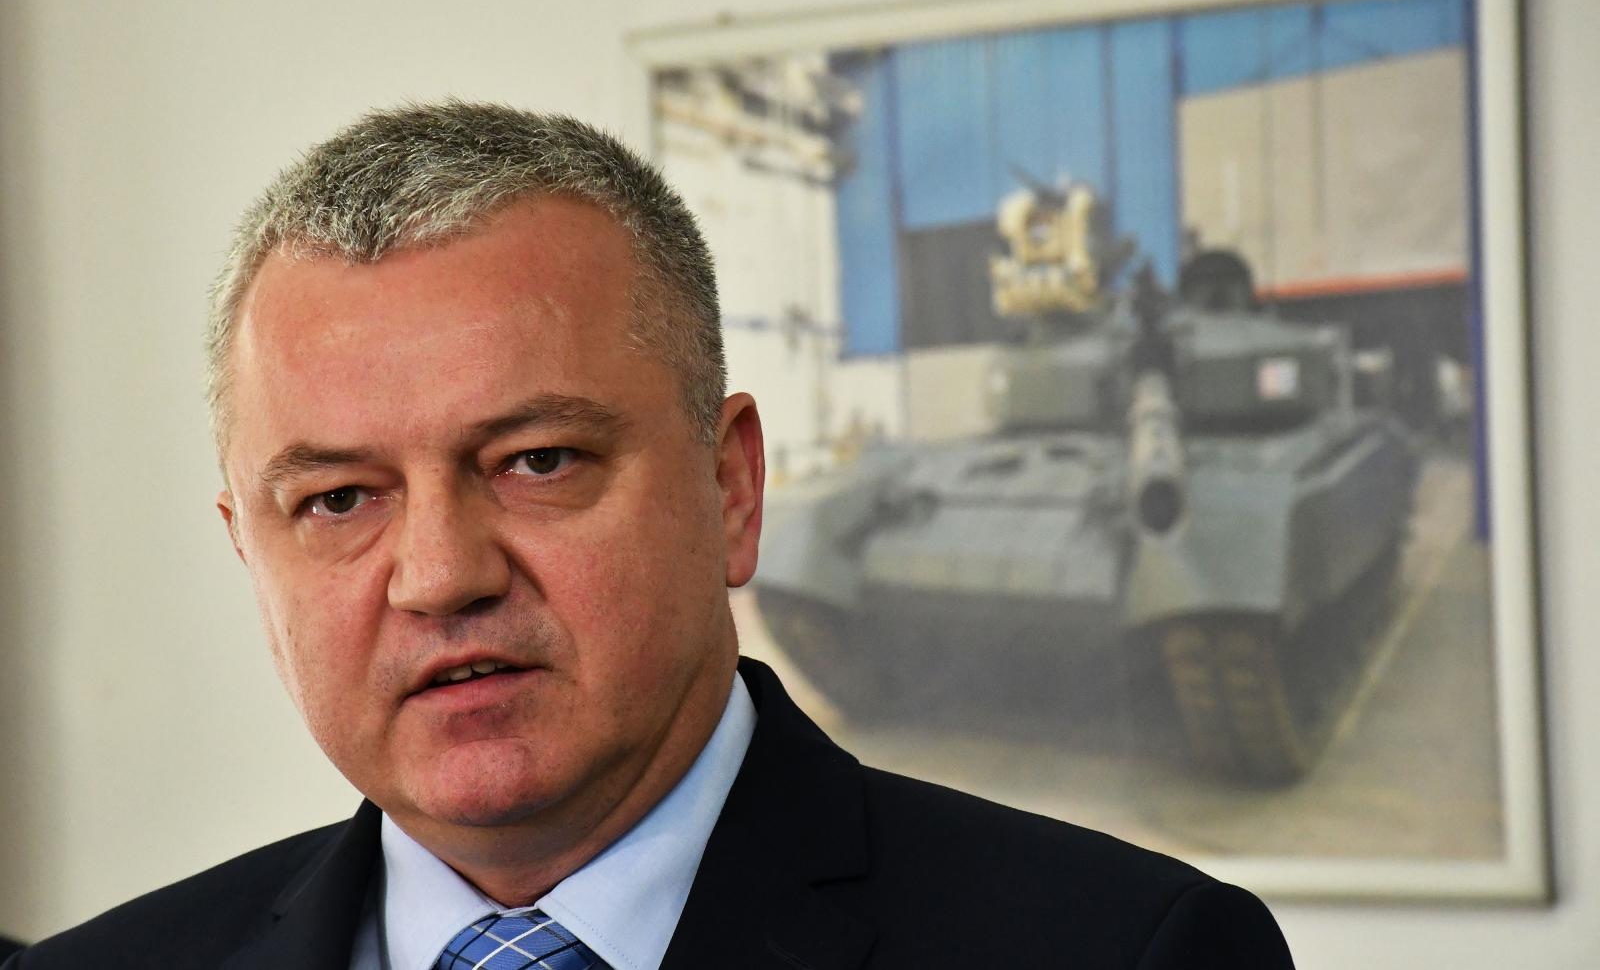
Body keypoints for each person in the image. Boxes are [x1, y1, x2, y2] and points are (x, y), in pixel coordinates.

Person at [7, 102, 1295, 969]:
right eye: (339, 499)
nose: (442, 577)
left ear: (730, 488)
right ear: (249, 549)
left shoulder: (1130, 953)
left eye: (538, 462)